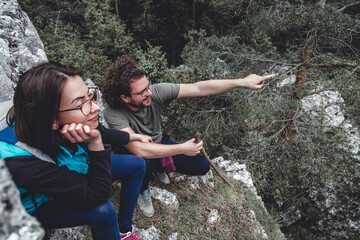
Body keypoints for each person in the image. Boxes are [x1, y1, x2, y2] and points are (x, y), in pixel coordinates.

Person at [102, 57, 275, 218]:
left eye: (148, 87)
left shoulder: (155, 92)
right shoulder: (113, 112)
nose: (149, 93)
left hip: (159, 144)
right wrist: (183, 148)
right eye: (142, 92)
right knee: (142, 161)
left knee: (201, 165)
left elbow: (198, 88)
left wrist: (242, 82)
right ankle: (142, 188)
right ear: (124, 97)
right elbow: (138, 148)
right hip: (136, 154)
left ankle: (157, 166)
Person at [0, 62, 152, 240]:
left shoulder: (53, 121)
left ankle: (124, 230)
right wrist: (94, 142)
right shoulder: (18, 161)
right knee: (103, 211)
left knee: (137, 164)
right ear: (52, 120)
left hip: (65, 171)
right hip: (35, 205)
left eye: (89, 96)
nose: (95, 107)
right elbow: (98, 194)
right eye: (81, 104)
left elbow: (102, 131)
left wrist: (134, 137)